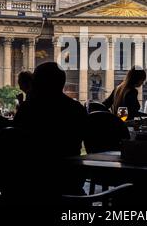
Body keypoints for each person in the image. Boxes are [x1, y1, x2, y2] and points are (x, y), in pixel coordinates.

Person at [12, 62, 88, 200]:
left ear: (37, 83)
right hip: (68, 180)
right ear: (62, 83)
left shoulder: (27, 109)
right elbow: (88, 144)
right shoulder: (76, 109)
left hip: (31, 180)